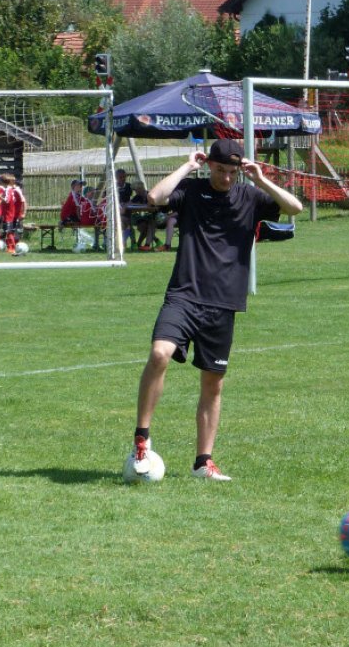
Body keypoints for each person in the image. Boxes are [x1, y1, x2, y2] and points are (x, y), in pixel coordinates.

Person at [129, 138, 304, 482]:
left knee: (213, 385)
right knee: (160, 353)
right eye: (220, 170)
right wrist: (187, 166)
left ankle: (202, 463)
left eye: (232, 172)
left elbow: (294, 208)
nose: (226, 178)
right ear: (209, 165)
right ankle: (142, 439)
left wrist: (260, 178)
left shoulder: (250, 196)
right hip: (184, 295)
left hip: (224, 303)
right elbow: (155, 198)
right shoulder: (191, 191)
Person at [0, 172, 27, 254]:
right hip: (10, 214)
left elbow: (7, 200)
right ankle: (11, 247)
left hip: (8, 214)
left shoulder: (8, 189)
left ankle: (12, 248)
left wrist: (1, 198)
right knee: (10, 231)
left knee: (9, 231)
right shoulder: (11, 189)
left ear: (2, 181)